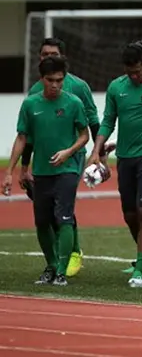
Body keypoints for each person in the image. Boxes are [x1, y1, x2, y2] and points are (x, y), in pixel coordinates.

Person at [87, 42, 142, 288]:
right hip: (125, 157)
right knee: (130, 215)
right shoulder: (117, 87)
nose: (134, 77)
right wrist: (96, 150)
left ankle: (141, 269)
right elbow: (108, 121)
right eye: (130, 73)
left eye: (137, 71)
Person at [3, 57, 90, 287]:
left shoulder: (74, 103)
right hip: (41, 172)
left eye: (59, 80)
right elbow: (22, 138)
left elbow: (84, 135)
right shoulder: (30, 105)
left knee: (64, 217)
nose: (55, 85)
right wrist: (11, 171)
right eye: (50, 80)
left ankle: (62, 270)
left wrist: (68, 152)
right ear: (41, 79)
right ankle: (51, 265)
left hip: (68, 169)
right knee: (42, 221)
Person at [21, 38, 101, 278]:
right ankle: (56, 258)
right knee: (46, 211)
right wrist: (25, 165)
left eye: (53, 53)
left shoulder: (79, 87)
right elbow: (29, 134)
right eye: (44, 53)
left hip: (73, 157)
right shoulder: (35, 91)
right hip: (44, 161)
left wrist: (99, 153)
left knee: (62, 204)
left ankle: (72, 252)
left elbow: (92, 122)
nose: (48, 57)